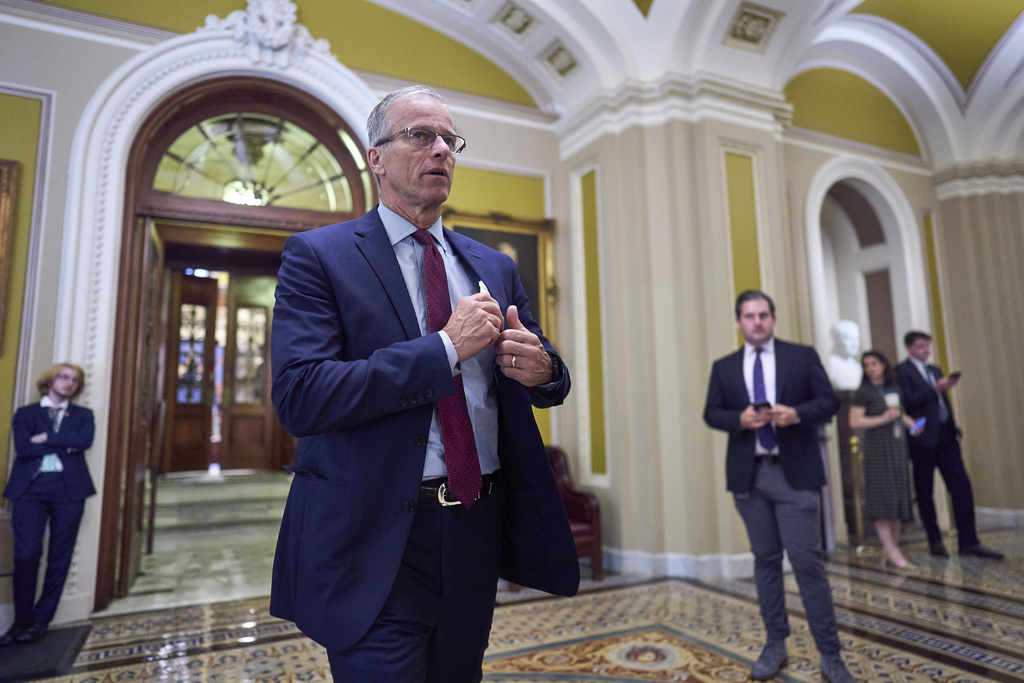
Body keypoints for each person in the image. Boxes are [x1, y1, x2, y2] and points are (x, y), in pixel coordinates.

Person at [268, 85, 578, 682]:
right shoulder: (319, 255)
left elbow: (544, 368)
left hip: (475, 526)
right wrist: (444, 348)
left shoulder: (493, 266)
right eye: (419, 135)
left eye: (449, 140)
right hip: (373, 533)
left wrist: (544, 369)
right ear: (376, 158)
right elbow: (302, 395)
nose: (440, 150)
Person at [703, 290, 853, 683]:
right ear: (738, 321)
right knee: (765, 561)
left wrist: (796, 414)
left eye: (763, 315)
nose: (757, 322)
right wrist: (739, 419)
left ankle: (831, 656)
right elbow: (711, 413)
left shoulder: (801, 357)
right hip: (749, 477)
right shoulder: (724, 367)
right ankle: (775, 644)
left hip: (795, 476)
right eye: (749, 316)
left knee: (806, 564)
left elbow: (829, 402)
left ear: (773, 318)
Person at [1, 363, 95, 646]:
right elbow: (24, 447)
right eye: (64, 377)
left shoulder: (83, 415)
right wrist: (66, 444)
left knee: (60, 556)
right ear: (50, 380)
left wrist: (46, 437)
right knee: (27, 555)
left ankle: (41, 621)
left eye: (75, 380)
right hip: (31, 489)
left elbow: (85, 441)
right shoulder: (26, 413)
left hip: (69, 490)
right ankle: (22, 621)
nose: (69, 383)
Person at [896, 331, 1003, 560]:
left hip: (946, 436)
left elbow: (941, 402)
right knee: (925, 492)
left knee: (961, 487)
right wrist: (934, 388)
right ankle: (934, 540)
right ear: (909, 348)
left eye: (927, 346)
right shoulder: (901, 371)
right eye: (921, 346)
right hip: (922, 438)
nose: (926, 350)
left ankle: (969, 541)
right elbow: (908, 401)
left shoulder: (935, 370)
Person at [848, 351, 920, 568]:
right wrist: (882, 418)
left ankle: (892, 548)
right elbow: (855, 421)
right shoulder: (863, 392)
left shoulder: (893, 389)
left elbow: (899, 414)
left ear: (884, 365)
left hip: (896, 447)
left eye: (874, 363)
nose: (871, 368)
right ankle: (891, 549)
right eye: (866, 365)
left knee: (897, 497)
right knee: (882, 497)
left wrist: (913, 425)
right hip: (877, 449)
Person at [828, 319, 863, 390]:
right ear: (836, 340)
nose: (855, 344)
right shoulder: (829, 364)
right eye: (850, 339)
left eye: (856, 339)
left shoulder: (857, 367)